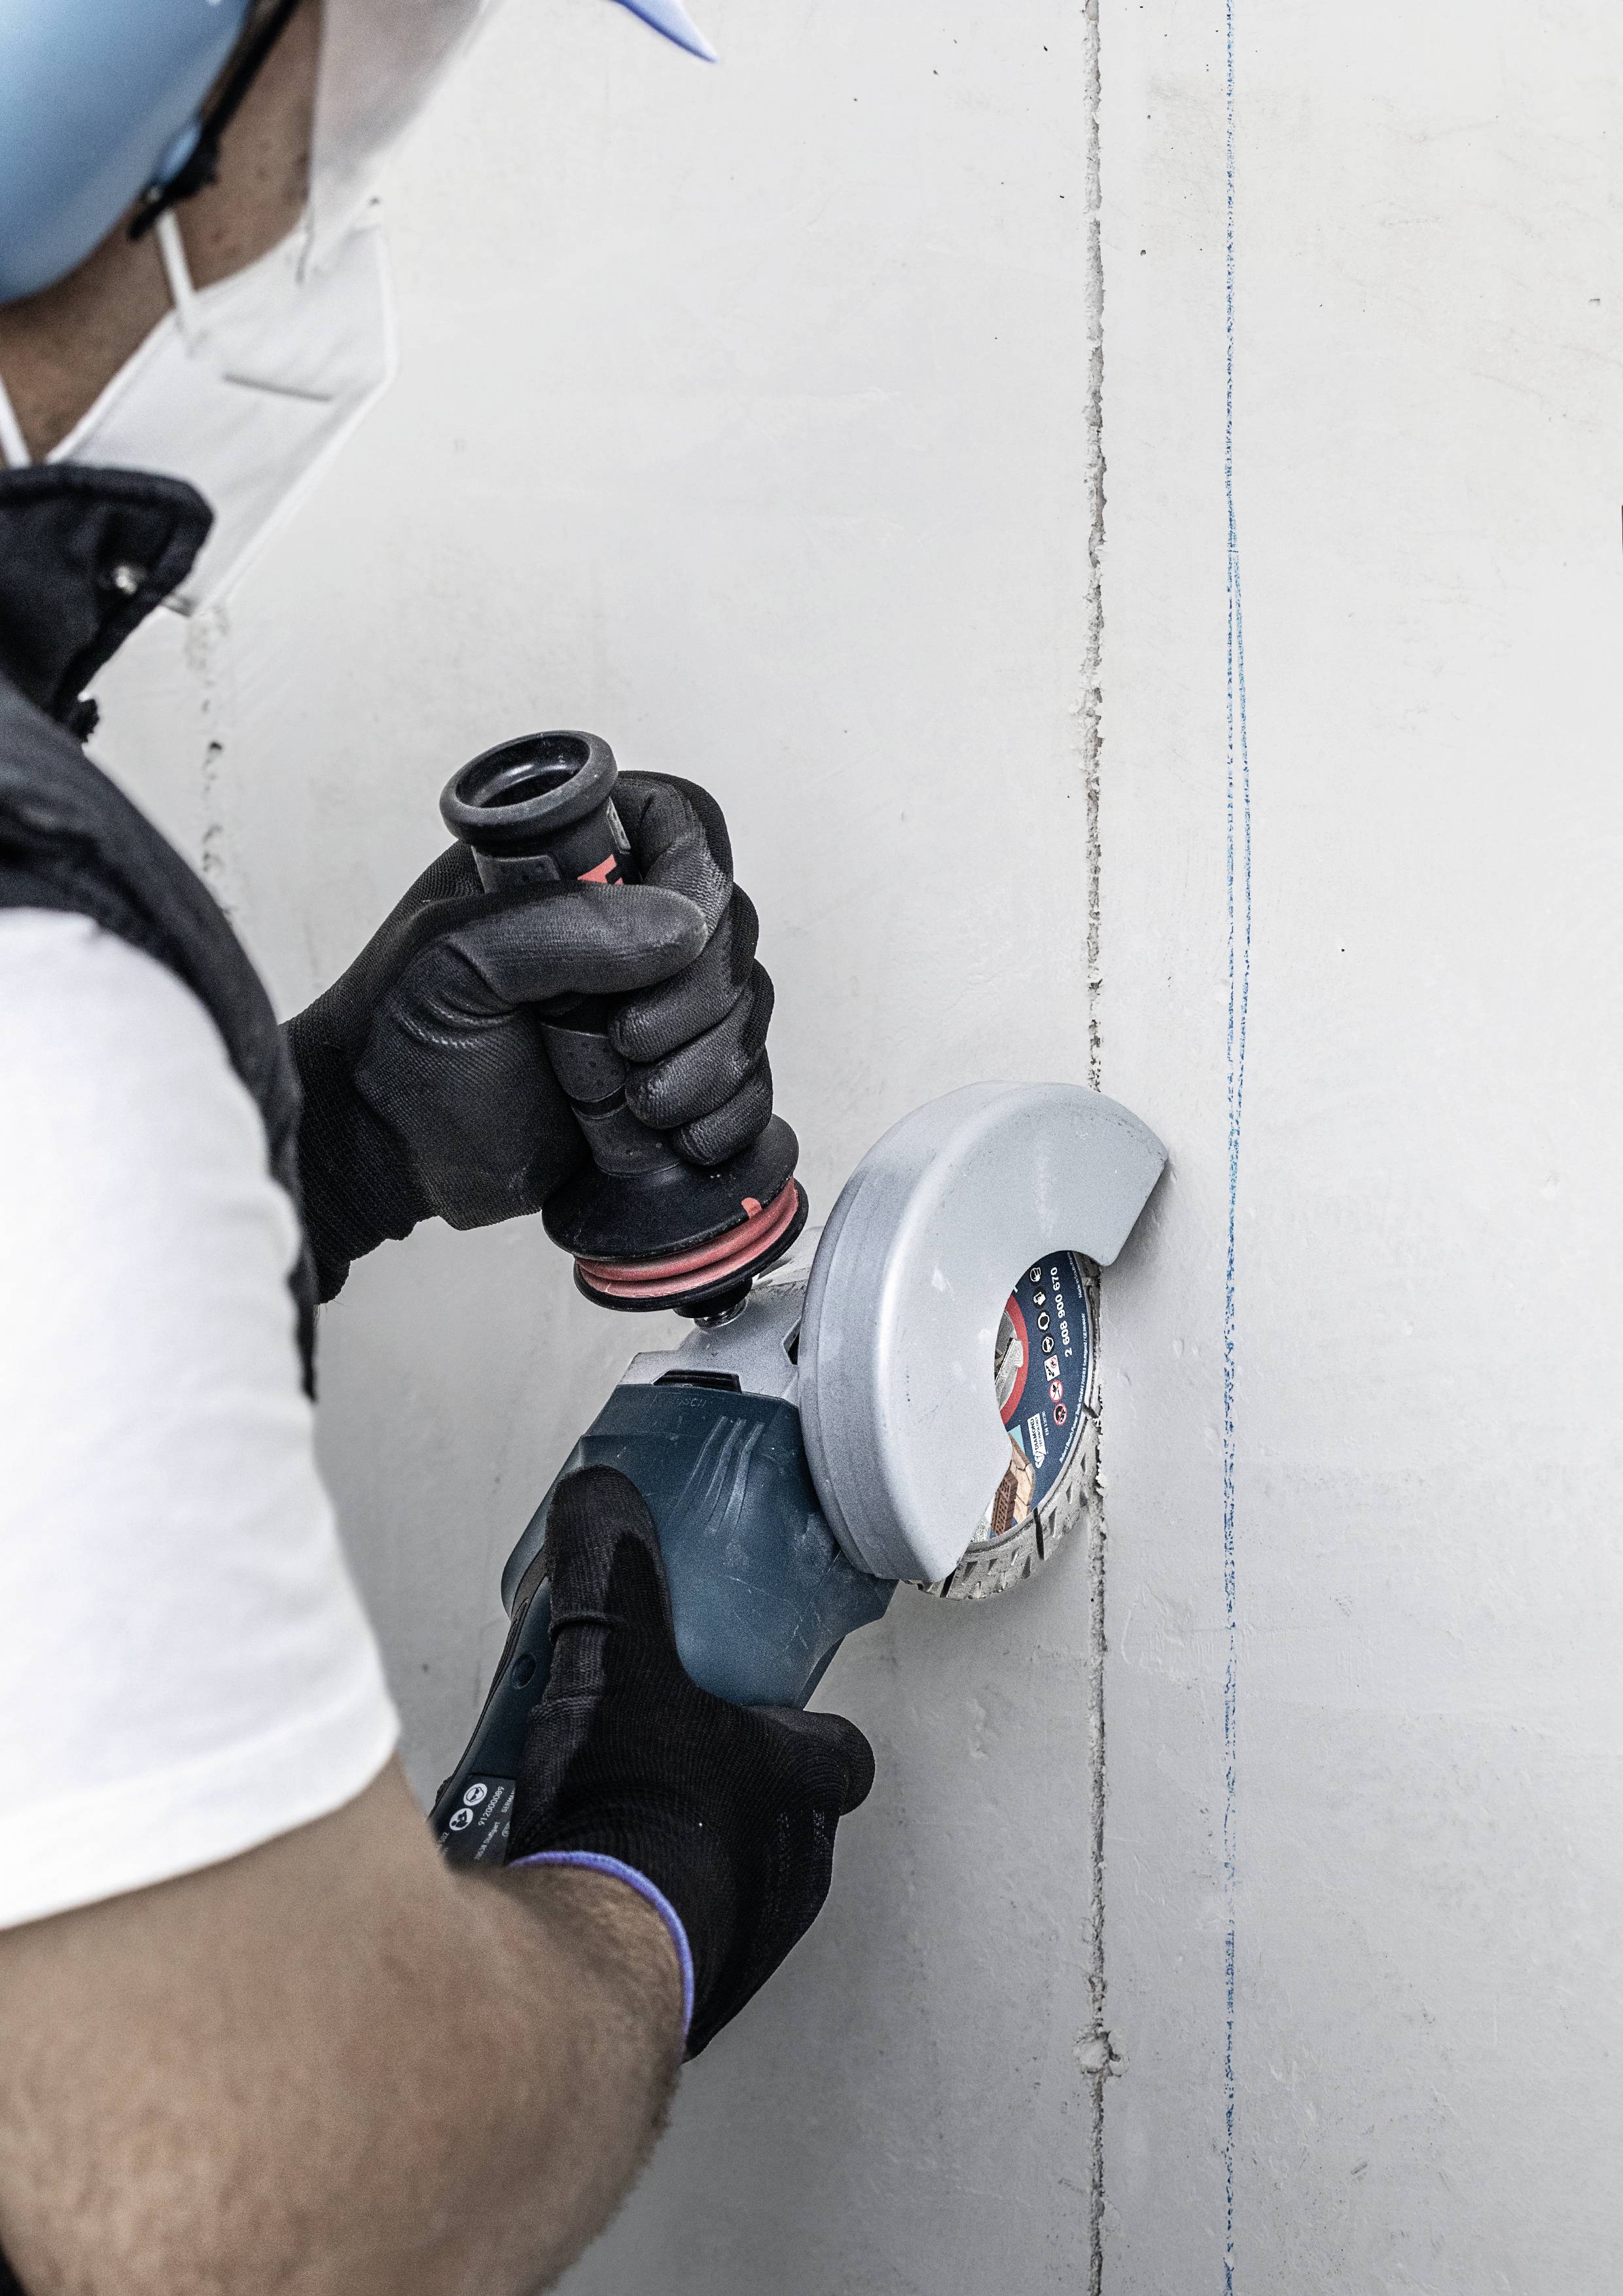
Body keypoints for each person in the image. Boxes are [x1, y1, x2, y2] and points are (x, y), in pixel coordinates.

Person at [0, 6, 874, 2290]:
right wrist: (640, 1889)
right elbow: (252, 2213)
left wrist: (323, 1140)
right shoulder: (29, 997)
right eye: (372, 71)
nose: (341, 185)